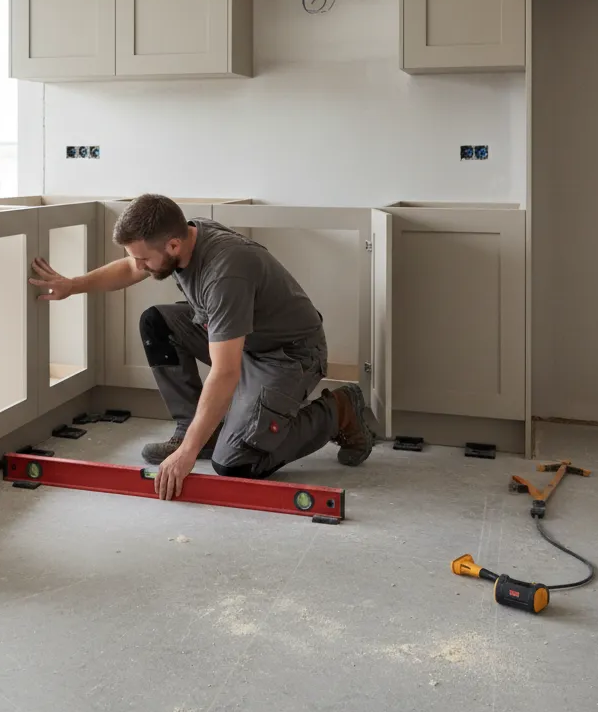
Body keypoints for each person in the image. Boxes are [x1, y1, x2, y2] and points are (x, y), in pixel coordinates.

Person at [29, 194, 375, 501]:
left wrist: (186, 456)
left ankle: (340, 410)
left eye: (144, 259)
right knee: (157, 322)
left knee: (237, 462)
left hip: (287, 354)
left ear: (174, 246)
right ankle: (194, 430)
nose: (139, 267)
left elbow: (225, 373)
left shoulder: (224, 272)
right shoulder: (184, 234)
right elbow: (129, 269)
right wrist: (73, 285)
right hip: (243, 337)